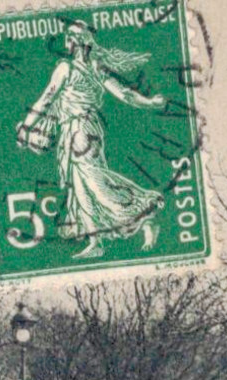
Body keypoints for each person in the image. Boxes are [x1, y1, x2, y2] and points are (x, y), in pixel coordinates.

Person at [14, 20, 166, 260]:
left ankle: (145, 213)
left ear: (76, 42)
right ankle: (96, 241)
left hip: (79, 130)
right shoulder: (97, 68)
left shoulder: (66, 68)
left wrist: (26, 125)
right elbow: (124, 93)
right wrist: (148, 102)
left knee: (94, 181)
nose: (67, 43)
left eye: (69, 39)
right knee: (81, 186)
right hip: (83, 129)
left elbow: (46, 98)